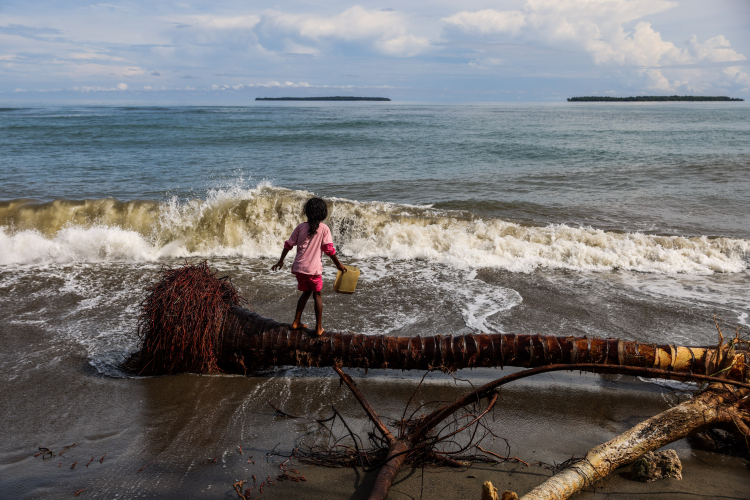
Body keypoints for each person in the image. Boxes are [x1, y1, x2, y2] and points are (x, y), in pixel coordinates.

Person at [271, 197, 346, 336]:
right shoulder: (324, 228)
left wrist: (281, 261)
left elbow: (288, 244)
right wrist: (339, 265)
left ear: (307, 212)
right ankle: (318, 328)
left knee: (306, 293)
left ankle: (295, 322)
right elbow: (329, 250)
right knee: (317, 295)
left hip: (299, 268)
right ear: (323, 213)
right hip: (313, 270)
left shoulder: (300, 227)